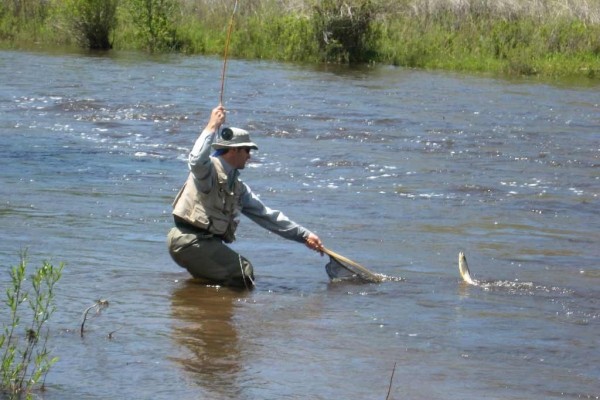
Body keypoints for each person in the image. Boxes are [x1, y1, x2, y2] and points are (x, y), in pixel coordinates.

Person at [167, 104, 323, 289]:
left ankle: (196, 304)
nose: (249, 156)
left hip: (201, 244)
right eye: (247, 150)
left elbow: (266, 216)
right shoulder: (208, 172)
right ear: (234, 150)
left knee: (225, 279)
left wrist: (304, 236)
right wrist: (211, 126)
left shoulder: (238, 187)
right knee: (243, 273)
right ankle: (213, 313)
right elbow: (196, 160)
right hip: (189, 240)